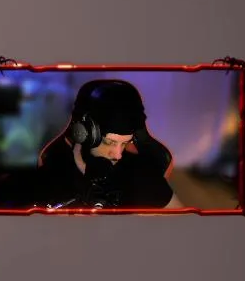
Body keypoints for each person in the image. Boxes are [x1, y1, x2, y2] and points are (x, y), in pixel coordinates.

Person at [33, 78, 184, 210]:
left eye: (125, 143)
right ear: (84, 133)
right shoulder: (52, 173)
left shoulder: (143, 175)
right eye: (109, 142)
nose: (118, 155)